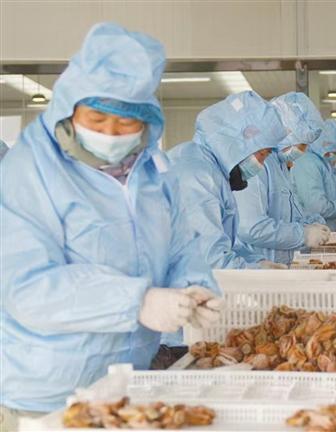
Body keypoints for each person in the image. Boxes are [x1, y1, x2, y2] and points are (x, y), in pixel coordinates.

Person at [0, 23, 221, 429]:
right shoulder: (28, 171)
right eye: (97, 117)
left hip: (126, 383)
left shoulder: (153, 172)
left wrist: (193, 286)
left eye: (126, 122)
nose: (110, 132)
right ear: (71, 107)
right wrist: (136, 302)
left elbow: (180, 246)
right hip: (48, 394)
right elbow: (26, 287)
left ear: (146, 120)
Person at [168, 91, 288, 270]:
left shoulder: (211, 169)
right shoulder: (198, 177)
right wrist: (256, 272)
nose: (261, 165)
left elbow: (223, 242)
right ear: (241, 144)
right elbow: (211, 260)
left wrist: (257, 261)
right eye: (262, 155)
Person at [233, 92, 330, 265]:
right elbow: (251, 227)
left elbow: (286, 214)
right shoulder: (257, 163)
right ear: (285, 134)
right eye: (301, 143)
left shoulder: (280, 164)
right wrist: (303, 234)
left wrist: (309, 222)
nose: (302, 150)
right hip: (256, 267)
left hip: (278, 266)